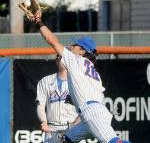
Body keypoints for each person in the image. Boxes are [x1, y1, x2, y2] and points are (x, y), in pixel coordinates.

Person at [33, 11, 131, 143]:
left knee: (115, 142)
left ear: (82, 51)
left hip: (92, 113)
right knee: (66, 140)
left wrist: (38, 21)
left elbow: (52, 41)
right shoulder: (92, 70)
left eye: (75, 45)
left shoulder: (75, 60)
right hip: (93, 113)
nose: (71, 46)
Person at [36, 55, 80, 143]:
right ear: (56, 61)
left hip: (73, 127)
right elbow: (40, 105)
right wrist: (44, 122)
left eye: (65, 57)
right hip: (52, 129)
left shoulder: (79, 81)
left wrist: (76, 125)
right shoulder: (45, 81)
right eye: (60, 56)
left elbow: (84, 108)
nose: (62, 59)